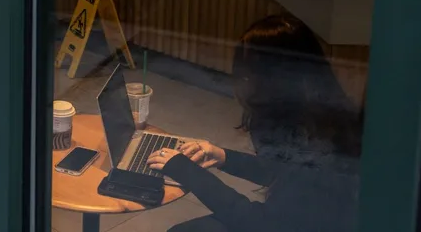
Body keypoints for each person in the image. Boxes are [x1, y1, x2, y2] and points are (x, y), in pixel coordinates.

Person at [148, 14, 363, 232]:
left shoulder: (321, 146)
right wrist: (223, 156)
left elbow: (261, 223)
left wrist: (189, 174)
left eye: (250, 74)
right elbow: (281, 169)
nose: (244, 82)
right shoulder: (315, 118)